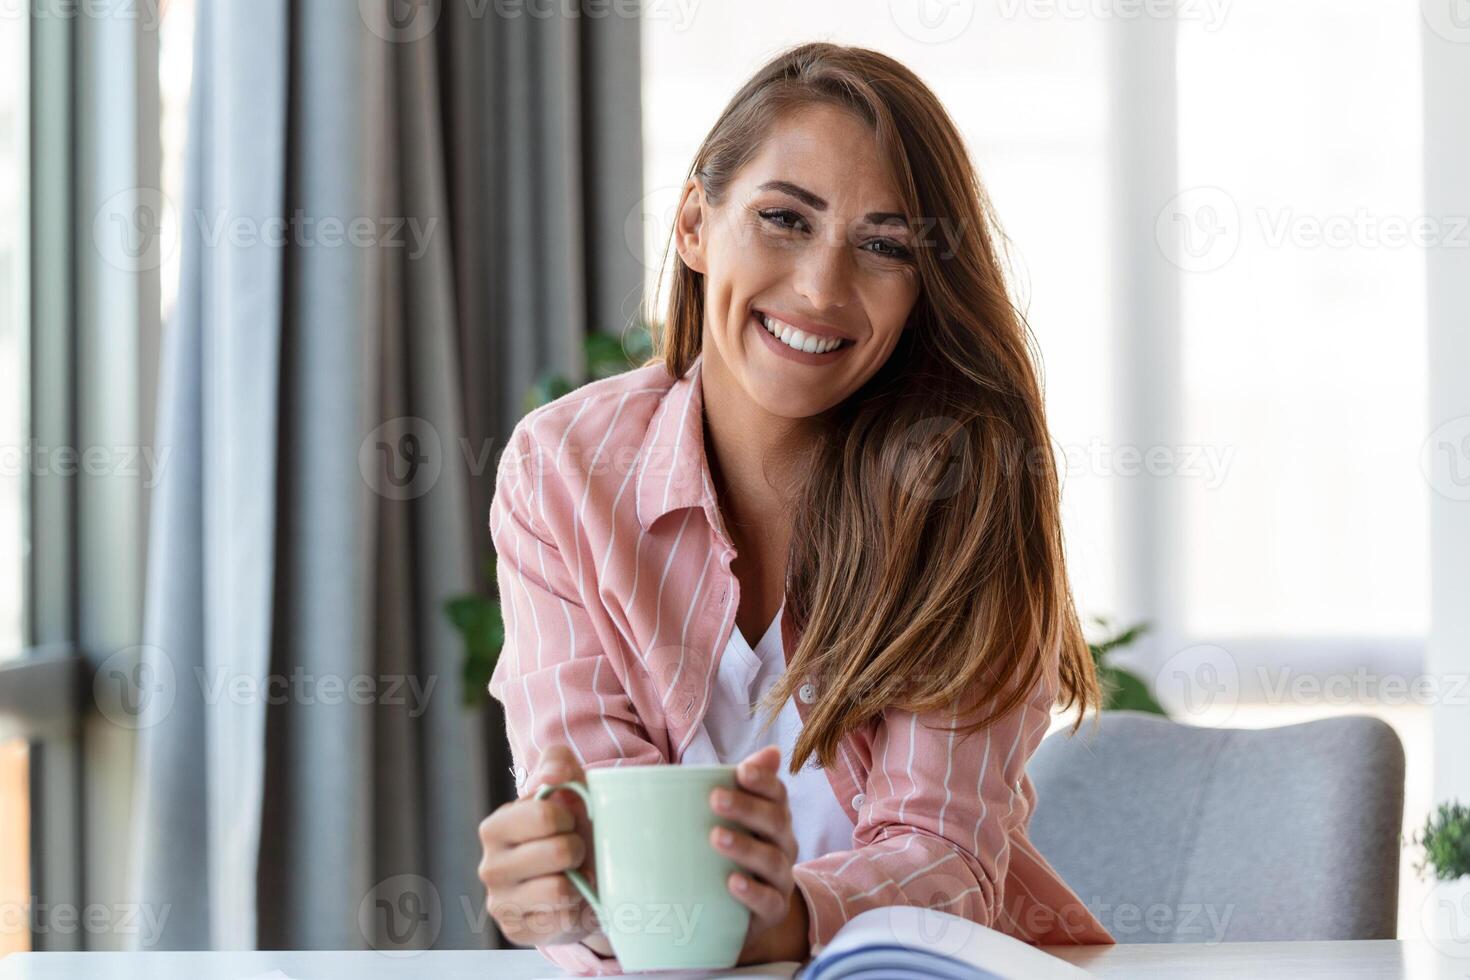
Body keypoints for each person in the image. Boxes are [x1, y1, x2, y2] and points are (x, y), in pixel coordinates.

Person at [476, 40, 1115, 975]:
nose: (822, 288)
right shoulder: (565, 467)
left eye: (884, 245)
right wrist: (553, 877)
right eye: (784, 219)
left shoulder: (964, 488)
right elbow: (596, 827)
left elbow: (947, 857)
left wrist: (785, 918)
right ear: (696, 224)